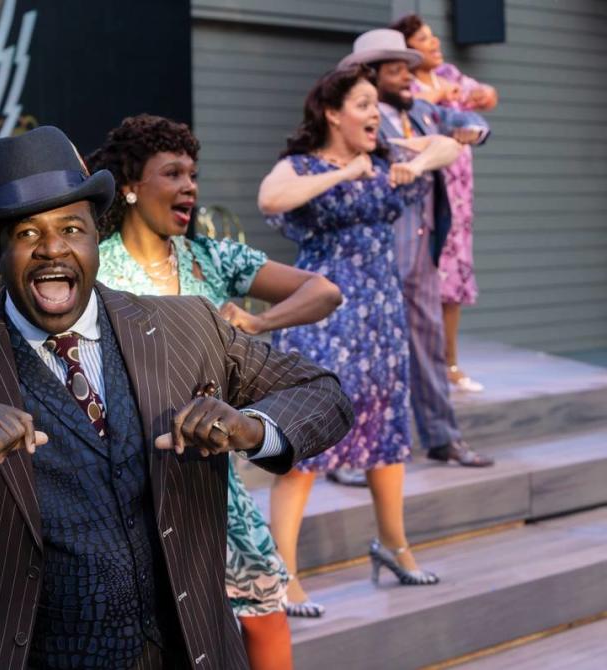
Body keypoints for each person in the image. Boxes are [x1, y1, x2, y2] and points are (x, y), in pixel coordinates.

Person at [0, 126, 353, 669]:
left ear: (95, 238)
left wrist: (252, 428)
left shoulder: (186, 327)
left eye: (71, 229)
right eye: (27, 235)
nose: (52, 249)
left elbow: (321, 393)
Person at [87, 114, 342, 669]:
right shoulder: (96, 268)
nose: (189, 186)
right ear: (130, 186)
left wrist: (256, 324)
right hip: (131, 478)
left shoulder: (213, 258)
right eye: (172, 173)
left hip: (212, 473)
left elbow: (323, 291)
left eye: (193, 174)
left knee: (264, 611)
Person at [259, 65, 464, 617]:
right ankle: (284, 575)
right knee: (305, 444)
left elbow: (448, 146)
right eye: (365, 104)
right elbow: (271, 199)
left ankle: (394, 547)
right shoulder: (302, 165)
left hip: (380, 315)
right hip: (323, 315)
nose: (376, 114)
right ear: (332, 112)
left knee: (387, 437)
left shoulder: (389, 154)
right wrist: (343, 173)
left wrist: (413, 164)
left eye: (377, 104)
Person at [339, 29, 495, 468]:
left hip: (424, 255)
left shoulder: (425, 111)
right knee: (365, 357)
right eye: (395, 71)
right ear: (369, 75)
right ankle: (352, 455)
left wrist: (470, 132)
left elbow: (477, 126)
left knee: (429, 348)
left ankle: (444, 439)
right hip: (373, 257)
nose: (408, 78)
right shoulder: (355, 117)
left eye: (408, 70)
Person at [392, 14, 499, 393]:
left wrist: (483, 94)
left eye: (433, 36)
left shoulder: (451, 76)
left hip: (458, 199)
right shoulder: (402, 88)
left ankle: (450, 364)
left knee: (452, 284)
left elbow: (485, 97)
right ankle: (411, 367)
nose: (435, 42)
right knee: (417, 281)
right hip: (420, 197)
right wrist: (435, 98)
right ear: (406, 50)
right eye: (424, 38)